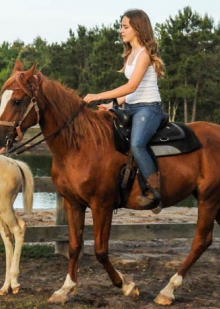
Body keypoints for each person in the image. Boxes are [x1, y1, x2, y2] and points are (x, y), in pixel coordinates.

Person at [82, 9, 165, 211]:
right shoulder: (130, 55)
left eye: (125, 26)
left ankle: (155, 192)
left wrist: (98, 96)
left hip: (148, 108)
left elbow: (131, 87)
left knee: (137, 144)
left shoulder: (144, 54)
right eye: (121, 26)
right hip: (131, 106)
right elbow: (129, 93)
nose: (121, 30)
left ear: (138, 28)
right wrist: (113, 105)